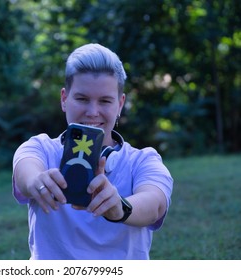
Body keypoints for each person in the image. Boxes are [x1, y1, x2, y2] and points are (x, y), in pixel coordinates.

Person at [12, 43, 173, 260]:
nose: (92, 112)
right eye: (82, 99)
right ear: (64, 99)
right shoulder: (39, 148)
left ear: (120, 105)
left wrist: (119, 207)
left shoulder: (143, 160)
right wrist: (37, 183)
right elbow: (26, 171)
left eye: (105, 101)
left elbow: (155, 204)